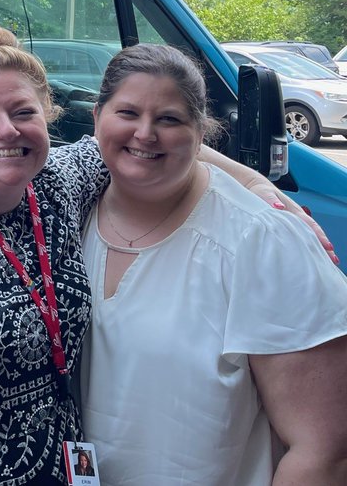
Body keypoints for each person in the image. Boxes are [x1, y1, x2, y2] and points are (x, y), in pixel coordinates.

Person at [0, 23, 330, 486]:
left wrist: (259, 187)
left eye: (22, 111)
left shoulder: (56, 186)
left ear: (47, 118)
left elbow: (152, 132)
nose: (7, 131)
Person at [81, 43, 347, 485]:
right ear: (96, 118)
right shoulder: (65, 207)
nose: (145, 133)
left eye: (170, 119)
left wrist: (255, 185)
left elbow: (326, 449)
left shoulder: (261, 240)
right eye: (127, 113)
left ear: (201, 131)